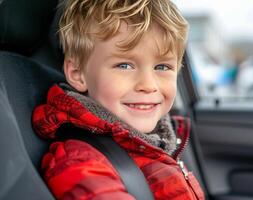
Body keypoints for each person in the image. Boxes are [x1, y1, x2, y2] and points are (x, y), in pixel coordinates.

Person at [32, 0, 205, 199]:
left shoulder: (160, 143)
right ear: (78, 74)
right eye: (124, 65)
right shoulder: (81, 163)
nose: (148, 85)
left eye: (162, 67)